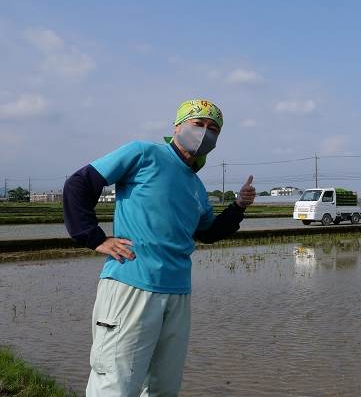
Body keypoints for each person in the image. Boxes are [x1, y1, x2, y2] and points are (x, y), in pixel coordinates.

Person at [63, 99, 256, 396]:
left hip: (177, 294)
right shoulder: (143, 154)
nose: (206, 133)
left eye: (214, 128)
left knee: (162, 387)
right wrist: (94, 237)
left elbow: (207, 232)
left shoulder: (197, 187)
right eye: (198, 124)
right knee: (115, 383)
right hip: (132, 285)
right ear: (177, 127)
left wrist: (239, 207)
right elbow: (79, 184)